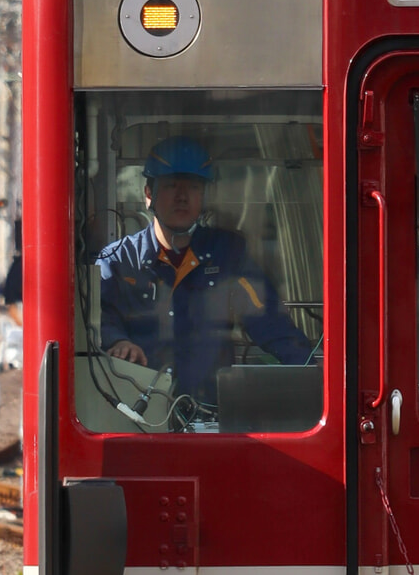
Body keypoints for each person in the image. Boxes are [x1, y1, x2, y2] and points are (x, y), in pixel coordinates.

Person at [96, 135, 312, 404]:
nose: (183, 197)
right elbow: (96, 318)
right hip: (137, 413)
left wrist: (312, 374)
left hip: (211, 415)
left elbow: (270, 321)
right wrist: (117, 341)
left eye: (194, 187)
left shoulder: (228, 255)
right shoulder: (118, 260)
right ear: (148, 194)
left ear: (204, 196)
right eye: (172, 186)